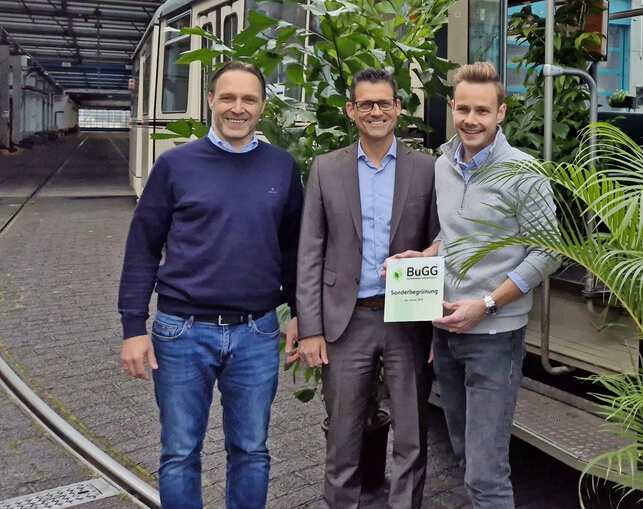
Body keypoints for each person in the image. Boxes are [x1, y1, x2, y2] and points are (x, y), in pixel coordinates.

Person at [118, 60, 304, 509]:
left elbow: (293, 249)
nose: (238, 108)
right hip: (181, 331)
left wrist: (302, 313)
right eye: (228, 98)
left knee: (251, 450)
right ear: (210, 101)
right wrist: (133, 328)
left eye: (249, 99)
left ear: (262, 106)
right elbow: (143, 247)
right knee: (180, 452)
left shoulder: (282, 167)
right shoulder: (175, 165)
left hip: (257, 332)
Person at [394, 62, 557, 509]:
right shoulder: (444, 165)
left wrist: (486, 304)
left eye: (482, 111)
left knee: (486, 474)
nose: (471, 119)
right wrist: (426, 254)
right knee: (466, 456)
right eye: (463, 109)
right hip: (446, 332)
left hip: (494, 337)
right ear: (452, 108)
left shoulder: (523, 172)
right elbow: (454, 234)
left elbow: (548, 253)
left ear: (500, 113)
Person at [294, 68, 439, 509]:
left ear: (399, 108)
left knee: (412, 439)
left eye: (384, 103)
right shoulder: (326, 169)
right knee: (342, 438)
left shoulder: (427, 169)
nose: (376, 111)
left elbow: (441, 245)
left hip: (408, 321)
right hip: (346, 321)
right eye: (366, 104)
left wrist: (437, 326)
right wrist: (311, 329)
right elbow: (310, 251)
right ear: (351, 110)